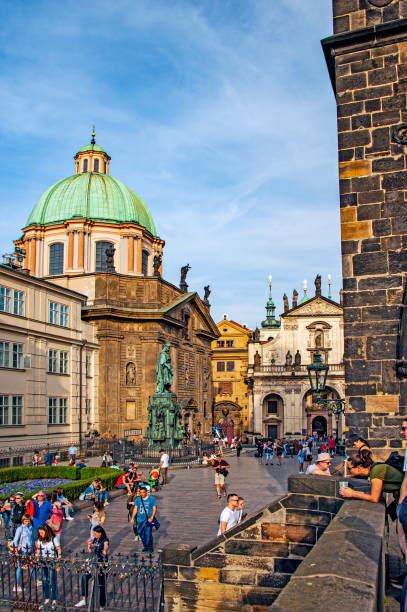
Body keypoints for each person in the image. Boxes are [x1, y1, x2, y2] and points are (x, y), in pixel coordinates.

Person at [75, 526, 109, 609]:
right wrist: (88, 545)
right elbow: (90, 551)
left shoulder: (105, 539)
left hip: (101, 564)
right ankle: (84, 599)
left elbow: (106, 545)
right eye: (93, 533)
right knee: (84, 577)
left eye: (95, 533)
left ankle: (102, 604)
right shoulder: (94, 540)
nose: (94, 535)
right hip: (93, 563)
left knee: (101, 585)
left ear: (100, 533)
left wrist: (104, 550)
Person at [35, 524, 61, 607]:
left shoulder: (54, 539)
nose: (40, 534)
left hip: (52, 561)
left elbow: (58, 550)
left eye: (42, 533)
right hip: (43, 561)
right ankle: (46, 598)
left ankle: (54, 599)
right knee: (45, 579)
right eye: (39, 533)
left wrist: (58, 562)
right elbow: (38, 550)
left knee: (52, 580)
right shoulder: (40, 539)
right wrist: (36, 558)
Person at [130, 486, 158, 552]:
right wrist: (132, 518)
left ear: (146, 493)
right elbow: (135, 509)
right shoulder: (138, 500)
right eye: (140, 492)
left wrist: (152, 517)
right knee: (141, 534)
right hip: (140, 519)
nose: (142, 494)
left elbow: (154, 509)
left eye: (143, 492)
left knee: (148, 534)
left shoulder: (151, 499)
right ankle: (145, 546)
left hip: (148, 519)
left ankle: (150, 547)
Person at [11, 514, 34, 591]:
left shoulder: (30, 527)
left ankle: (36, 580)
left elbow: (32, 539)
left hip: (30, 550)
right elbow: (15, 540)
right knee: (20, 567)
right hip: (23, 551)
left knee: (32, 565)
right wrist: (16, 550)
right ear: (23, 521)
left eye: (28, 520)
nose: (27, 522)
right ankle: (16, 585)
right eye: (25, 521)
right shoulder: (20, 529)